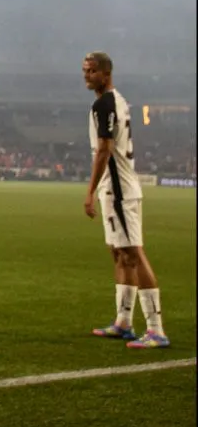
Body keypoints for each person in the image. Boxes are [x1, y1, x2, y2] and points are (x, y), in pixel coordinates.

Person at [82, 52, 169, 349]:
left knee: (133, 251)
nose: (87, 76)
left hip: (120, 189)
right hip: (114, 188)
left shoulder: (105, 103)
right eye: (85, 70)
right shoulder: (116, 100)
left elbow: (104, 149)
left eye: (92, 71)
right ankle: (123, 322)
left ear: (106, 73)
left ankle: (156, 329)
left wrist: (89, 190)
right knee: (119, 253)